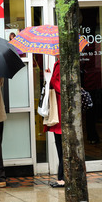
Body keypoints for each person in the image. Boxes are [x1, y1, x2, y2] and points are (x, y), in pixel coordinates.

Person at [43, 57, 64, 188]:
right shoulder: (59, 63)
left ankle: (62, 178)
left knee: (61, 146)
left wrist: (50, 78)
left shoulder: (61, 64)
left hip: (61, 111)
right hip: (59, 110)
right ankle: (62, 177)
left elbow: (60, 86)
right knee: (60, 146)